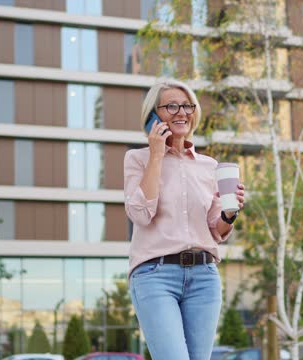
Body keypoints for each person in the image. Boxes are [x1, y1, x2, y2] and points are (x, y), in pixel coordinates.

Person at [124, 79, 245, 360]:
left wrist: (230, 211)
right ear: (153, 115)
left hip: (204, 276)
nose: (182, 112)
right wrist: (156, 155)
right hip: (155, 275)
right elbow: (140, 214)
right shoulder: (137, 159)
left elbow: (217, 229)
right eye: (171, 106)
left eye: (187, 105)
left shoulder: (209, 166)